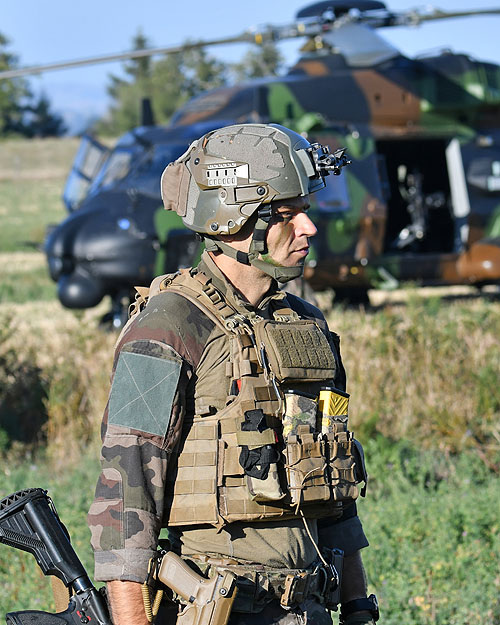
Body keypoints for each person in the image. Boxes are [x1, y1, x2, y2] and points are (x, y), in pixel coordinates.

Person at [88, 123, 378, 625]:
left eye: (305, 211)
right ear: (232, 221)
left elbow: (335, 482)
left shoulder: (307, 325)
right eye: (289, 215)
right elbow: (125, 494)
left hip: (309, 607)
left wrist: (356, 605)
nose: (309, 228)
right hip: (218, 608)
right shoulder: (168, 326)